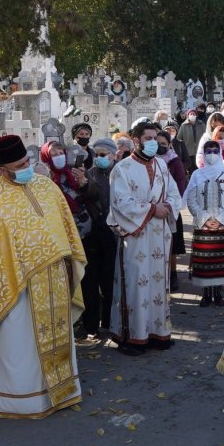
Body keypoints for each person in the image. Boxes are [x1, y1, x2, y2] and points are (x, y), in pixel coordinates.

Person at [0, 134, 86, 418]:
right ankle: (21, 401)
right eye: (19, 165)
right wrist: (19, 270)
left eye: (27, 161)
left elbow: (65, 229)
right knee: (19, 344)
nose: (27, 167)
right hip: (15, 287)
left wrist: (65, 262)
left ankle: (61, 393)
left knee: (57, 336)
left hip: (53, 277)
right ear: (3, 170)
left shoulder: (47, 187)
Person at [108, 122, 180, 355]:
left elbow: (173, 193)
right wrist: (152, 209)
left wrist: (167, 206)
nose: (152, 142)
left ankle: (158, 333)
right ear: (136, 140)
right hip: (136, 236)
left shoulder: (161, 164)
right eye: (148, 138)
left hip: (159, 235)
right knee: (136, 284)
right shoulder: (122, 168)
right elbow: (120, 203)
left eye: (155, 138)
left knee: (158, 284)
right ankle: (132, 337)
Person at [186, 140, 224, 306]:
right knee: (204, 262)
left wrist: (219, 220)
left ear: (220, 153)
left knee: (220, 261)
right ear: (203, 154)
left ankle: (218, 293)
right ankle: (206, 294)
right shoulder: (197, 174)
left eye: (215, 151)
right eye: (208, 151)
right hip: (203, 225)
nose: (211, 154)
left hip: (222, 225)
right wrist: (205, 219)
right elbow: (191, 200)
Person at [82, 140, 120, 339]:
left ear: (113, 155)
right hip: (94, 233)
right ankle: (92, 324)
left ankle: (110, 321)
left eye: (103, 154)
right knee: (92, 280)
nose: (99, 158)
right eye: (96, 154)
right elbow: (89, 195)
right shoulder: (89, 174)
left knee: (111, 279)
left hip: (116, 232)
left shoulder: (121, 172)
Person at [39, 140, 96, 243]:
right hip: (60, 228)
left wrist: (84, 183)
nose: (59, 157)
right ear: (46, 157)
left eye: (61, 153)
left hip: (84, 224)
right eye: (54, 155)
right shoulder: (44, 178)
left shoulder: (75, 171)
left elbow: (94, 195)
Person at [157, 130, 188, 293]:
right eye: (157, 143)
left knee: (172, 245)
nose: (160, 146)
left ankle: (173, 274)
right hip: (153, 209)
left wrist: (170, 203)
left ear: (169, 144)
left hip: (170, 208)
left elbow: (180, 184)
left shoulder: (175, 162)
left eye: (164, 144)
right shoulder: (149, 160)